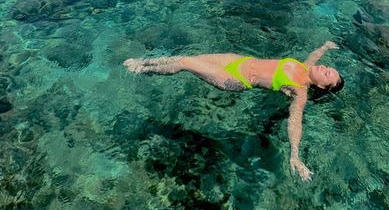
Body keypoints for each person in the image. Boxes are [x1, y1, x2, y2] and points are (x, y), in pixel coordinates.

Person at [124, 41, 343, 181]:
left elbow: (295, 121)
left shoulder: (300, 91)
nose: (325, 68)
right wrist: (324, 47)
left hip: (236, 79)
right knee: (193, 59)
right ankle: (146, 64)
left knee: (186, 61)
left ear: (322, 87)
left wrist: (295, 155)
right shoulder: (306, 67)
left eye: (327, 74)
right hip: (239, 61)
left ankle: (142, 68)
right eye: (328, 68)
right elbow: (315, 58)